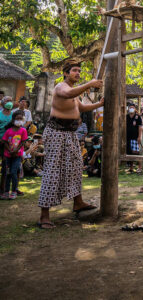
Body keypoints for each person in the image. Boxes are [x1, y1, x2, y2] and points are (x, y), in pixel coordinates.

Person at [38, 59, 104, 229]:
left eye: (79, 71)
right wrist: (89, 83)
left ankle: (78, 202)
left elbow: (81, 108)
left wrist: (100, 104)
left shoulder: (75, 92)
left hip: (70, 134)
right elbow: (67, 95)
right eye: (74, 70)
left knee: (76, 167)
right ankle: (44, 215)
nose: (77, 73)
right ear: (66, 73)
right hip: (55, 133)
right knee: (53, 171)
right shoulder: (61, 87)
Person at [1, 110, 28, 200]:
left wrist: (16, 150)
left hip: (17, 156)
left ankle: (14, 191)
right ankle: (6, 192)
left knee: (13, 172)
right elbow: (4, 141)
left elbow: (23, 142)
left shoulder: (23, 130)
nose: (19, 120)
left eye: (21, 119)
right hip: (8, 156)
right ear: (13, 120)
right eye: (17, 119)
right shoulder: (8, 131)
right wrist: (9, 151)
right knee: (8, 173)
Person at [126, 103, 143, 174]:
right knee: (129, 152)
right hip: (128, 137)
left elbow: (140, 127)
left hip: (135, 137)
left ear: (135, 108)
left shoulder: (138, 117)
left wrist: (139, 137)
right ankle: (131, 168)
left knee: (136, 153)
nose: (131, 109)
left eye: (132, 107)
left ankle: (140, 168)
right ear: (128, 108)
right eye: (130, 107)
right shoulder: (126, 116)